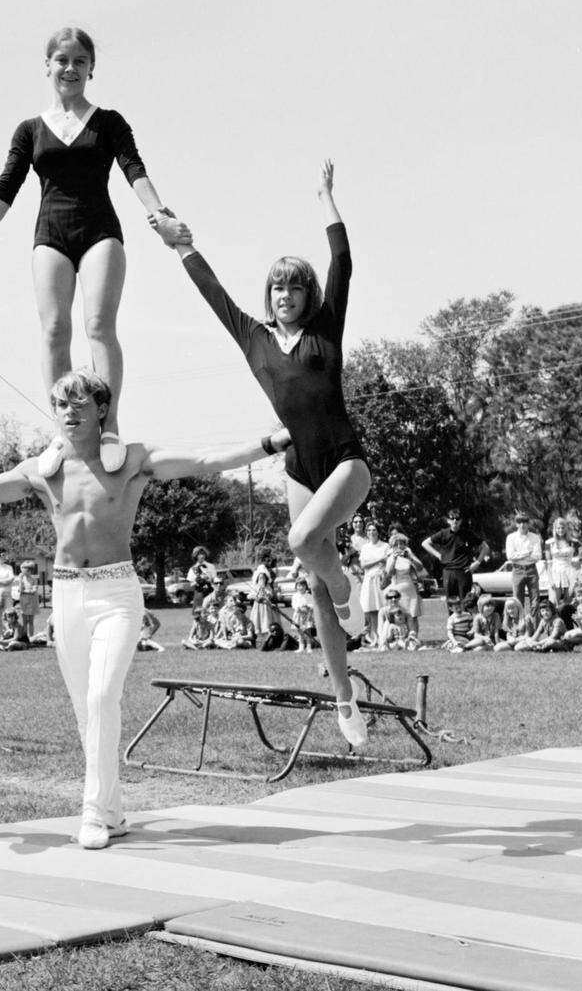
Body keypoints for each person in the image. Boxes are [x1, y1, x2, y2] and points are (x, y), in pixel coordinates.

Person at [0, 368, 288, 848]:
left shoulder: (132, 459)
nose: (69, 413)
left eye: (78, 404)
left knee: (101, 700)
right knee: (85, 711)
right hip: (68, 593)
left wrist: (273, 442)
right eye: (60, 405)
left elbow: (204, 460)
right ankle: (113, 812)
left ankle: (92, 813)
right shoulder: (41, 469)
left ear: (101, 409)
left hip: (116, 592)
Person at [170, 160, 371, 745]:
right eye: (278, 286)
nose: (285, 294)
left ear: (308, 293)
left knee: (304, 544)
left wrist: (325, 197)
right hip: (299, 468)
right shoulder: (254, 337)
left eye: (295, 285)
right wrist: (184, 248)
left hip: (345, 461)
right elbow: (213, 295)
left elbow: (344, 262)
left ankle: (348, 591)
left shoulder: (325, 329)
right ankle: (344, 700)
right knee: (310, 583)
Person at [0, 26, 190, 476]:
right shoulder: (29, 130)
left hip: (100, 231)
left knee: (99, 325)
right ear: (47, 66)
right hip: (51, 235)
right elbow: (6, 185)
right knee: (53, 331)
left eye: (79, 62)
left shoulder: (109, 123)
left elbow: (134, 170)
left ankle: (109, 426)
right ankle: (62, 430)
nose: (70, 69)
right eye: (61, 60)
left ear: (91, 70)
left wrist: (160, 216)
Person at [422, 509, 491, 610]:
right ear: (448, 520)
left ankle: (466, 623)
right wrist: (438, 555)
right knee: (451, 603)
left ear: (461, 521)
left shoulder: (467, 534)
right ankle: (452, 624)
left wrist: (477, 562)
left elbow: (485, 547)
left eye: (457, 519)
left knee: (467, 603)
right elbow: (425, 543)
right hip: (448, 571)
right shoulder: (443, 533)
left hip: (464, 571)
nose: (455, 521)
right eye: (452, 518)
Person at [357, 521, 391, 646]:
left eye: (374, 530)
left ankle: (386, 636)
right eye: (369, 530)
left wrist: (380, 563)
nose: (371, 532)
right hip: (369, 579)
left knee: (382, 608)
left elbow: (388, 561)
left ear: (378, 531)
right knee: (370, 609)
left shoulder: (385, 546)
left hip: (381, 579)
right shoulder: (365, 547)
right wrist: (379, 560)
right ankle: (374, 637)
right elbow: (363, 565)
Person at [383, 531, 427, 626]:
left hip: (409, 589)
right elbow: (389, 574)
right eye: (396, 544)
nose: (399, 546)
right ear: (392, 546)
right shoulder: (390, 556)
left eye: (401, 543)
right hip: (396, 590)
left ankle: (413, 637)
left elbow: (420, 567)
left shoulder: (408, 553)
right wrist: (394, 559)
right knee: (398, 616)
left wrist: (410, 558)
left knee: (412, 616)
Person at [504, 512, 542, 616]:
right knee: (517, 601)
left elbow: (537, 556)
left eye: (525, 522)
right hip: (517, 570)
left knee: (535, 600)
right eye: (520, 522)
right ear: (516, 524)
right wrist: (526, 553)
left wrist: (519, 556)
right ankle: (520, 627)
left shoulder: (535, 537)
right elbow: (510, 556)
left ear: (528, 523)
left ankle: (534, 627)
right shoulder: (511, 538)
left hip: (531, 570)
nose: (522, 525)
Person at [544, 518, 576, 609]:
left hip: (569, 572)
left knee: (568, 601)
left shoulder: (572, 542)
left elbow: (579, 558)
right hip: (555, 572)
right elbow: (548, 563)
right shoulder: (549, 543)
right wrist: (550, 580)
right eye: (558, 528)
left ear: (566, 528)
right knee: (553, 602)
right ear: (555, 529)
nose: (560, 530)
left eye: (562, 528)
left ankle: (566, 621)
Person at [249, 550, 279, 639]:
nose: (269, 562)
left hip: (264, 599)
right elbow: (261, 587)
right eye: (267, 560)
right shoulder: (262, 572)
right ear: (264, 560)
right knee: (264, 619)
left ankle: (267, 637)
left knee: (266, 618)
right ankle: (265, 638)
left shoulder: (263, 570)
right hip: (263, 600)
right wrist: (264, 598)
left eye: (269, 560)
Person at [186, 547, 216, 621]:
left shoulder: (211, 566)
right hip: (199, 594)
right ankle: (197, 632)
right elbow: (191, 584)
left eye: (203, 554)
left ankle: (210, 631)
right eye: (199, 554)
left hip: (209, 593)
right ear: (195, 556)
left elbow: (214, 579)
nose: (202, 556)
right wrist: (198, 580)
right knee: (198, 617)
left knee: (211, 615)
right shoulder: (192, 569)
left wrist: (208, 579)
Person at [16, 560, 41, 640]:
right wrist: (20, 579)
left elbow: (34, 591)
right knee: (24, 621)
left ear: (29, 570)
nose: (22, 570)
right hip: (24, 602)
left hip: (32, 602)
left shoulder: (34, 579)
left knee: (30, 621)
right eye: (22, 568)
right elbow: (20, 590)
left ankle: (31, 637)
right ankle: (25, 637)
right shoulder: (21, 579)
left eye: (23, 569)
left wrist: (25, 591)